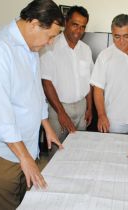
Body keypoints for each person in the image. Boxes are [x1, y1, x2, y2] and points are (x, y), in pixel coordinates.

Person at [0, 0, 64, 209]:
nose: (50, 43)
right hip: (4, 157)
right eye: (50, 36)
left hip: (26, 150)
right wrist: (24, 157)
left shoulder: (31, 47)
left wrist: (47, 126)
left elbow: (35, 92)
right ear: (34, 24)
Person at [40, 6, 94, 153]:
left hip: (81, 107)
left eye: (83, 27)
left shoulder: (86, 49)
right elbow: (46, 83)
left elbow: (89, 81)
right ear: (66, 22)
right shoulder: (50, 46)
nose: (78, 31)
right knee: (58, 152)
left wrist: (89, 107)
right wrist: (61, 113)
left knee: (79, 150)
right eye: (75, 25)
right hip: (58, 108)